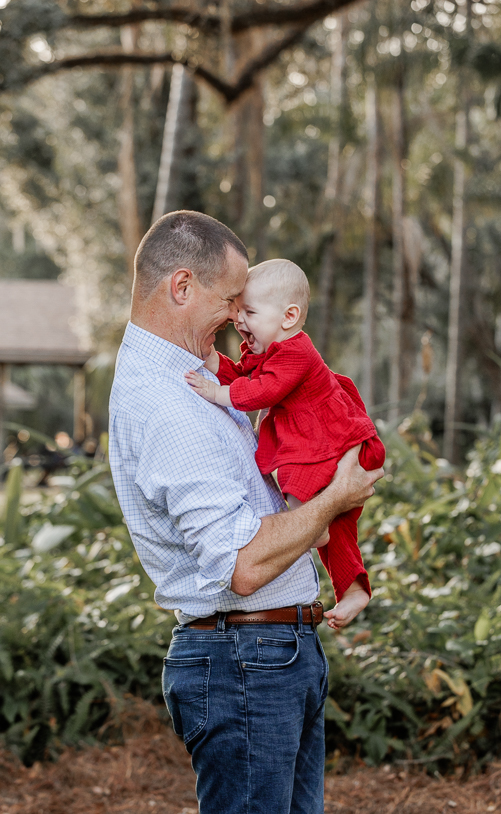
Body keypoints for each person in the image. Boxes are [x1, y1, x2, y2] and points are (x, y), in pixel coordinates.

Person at [108, 211, 383, 814]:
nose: (239, 317)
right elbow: (243, 566)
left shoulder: (188, 377)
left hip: (267, 658)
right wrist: (337, 496)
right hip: (245, 663)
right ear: (182, 287)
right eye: (232, 300)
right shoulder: (169, 408)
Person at [186, 258, 385, 629]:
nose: (238, 320)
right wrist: (212, 359)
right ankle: (354, 589)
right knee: (338, 527)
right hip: (312, 442)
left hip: (324, 440)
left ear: (288, 317)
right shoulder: (267, 352)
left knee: (314, 513)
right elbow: (244, 375)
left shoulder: (297, 351)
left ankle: (310, 524)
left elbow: (261, 391)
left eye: (249, 311)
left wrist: (215, 393)